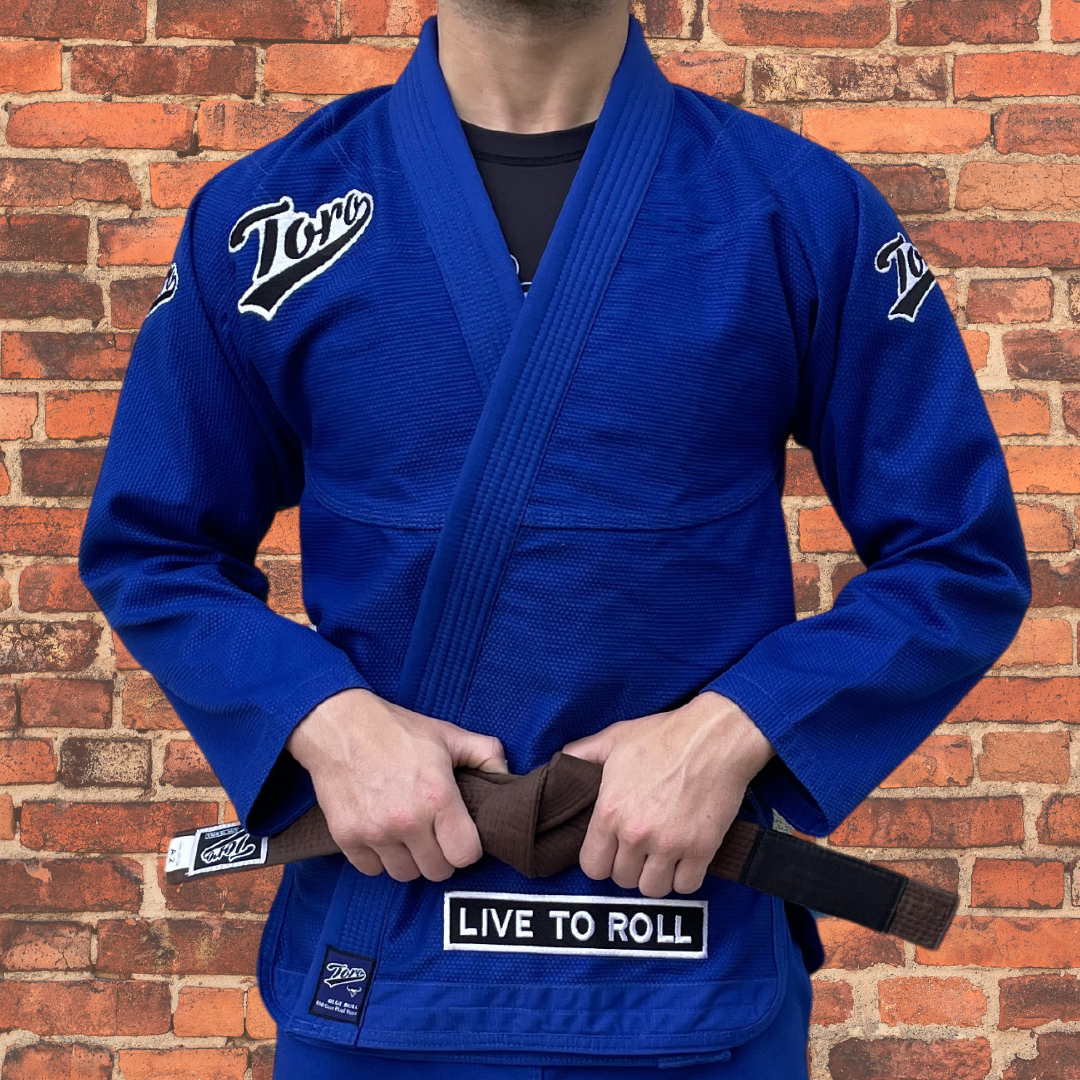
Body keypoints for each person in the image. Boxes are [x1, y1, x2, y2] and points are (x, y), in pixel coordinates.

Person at [77, 0, 1031, 1075]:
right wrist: (326, 721)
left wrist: (730, 731)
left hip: (684, 955)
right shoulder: (264, 218)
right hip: (387, 961)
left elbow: (959, 554)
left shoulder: (799, 213)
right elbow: (155, 548)